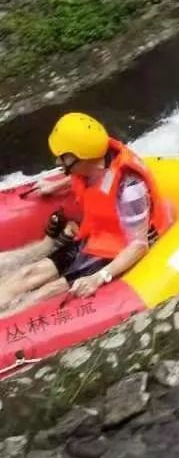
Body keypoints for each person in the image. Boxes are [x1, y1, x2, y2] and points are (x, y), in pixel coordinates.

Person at [0, 113, 168, 312]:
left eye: (63, 156)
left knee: (44, 293)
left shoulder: (130, 188)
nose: (57, 161)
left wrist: (100, 277)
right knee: (27, 274)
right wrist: (57, 186)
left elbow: (138, 245)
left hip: (116, 249)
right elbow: (92, 178)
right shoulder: (95, 163)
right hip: (95, 237)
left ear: (81, 157)